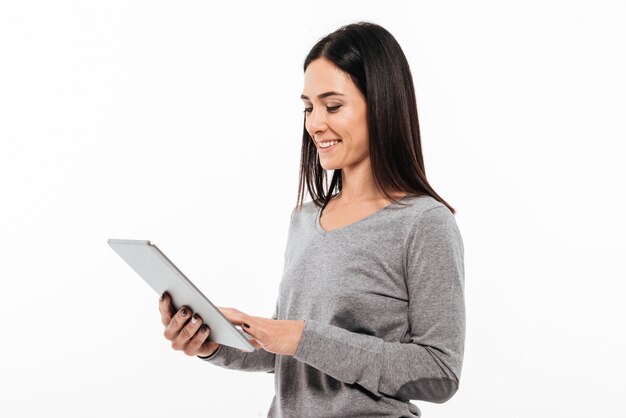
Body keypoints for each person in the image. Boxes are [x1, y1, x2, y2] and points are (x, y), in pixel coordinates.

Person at [158, 21, 465, 418]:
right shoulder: (304, 220)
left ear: (382, 104)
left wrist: (300, 336)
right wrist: (215, 343)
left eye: (332, 105)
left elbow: (439, 374)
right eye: (308, 107)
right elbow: (289, 355)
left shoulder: (425, 224)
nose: (315, 124)